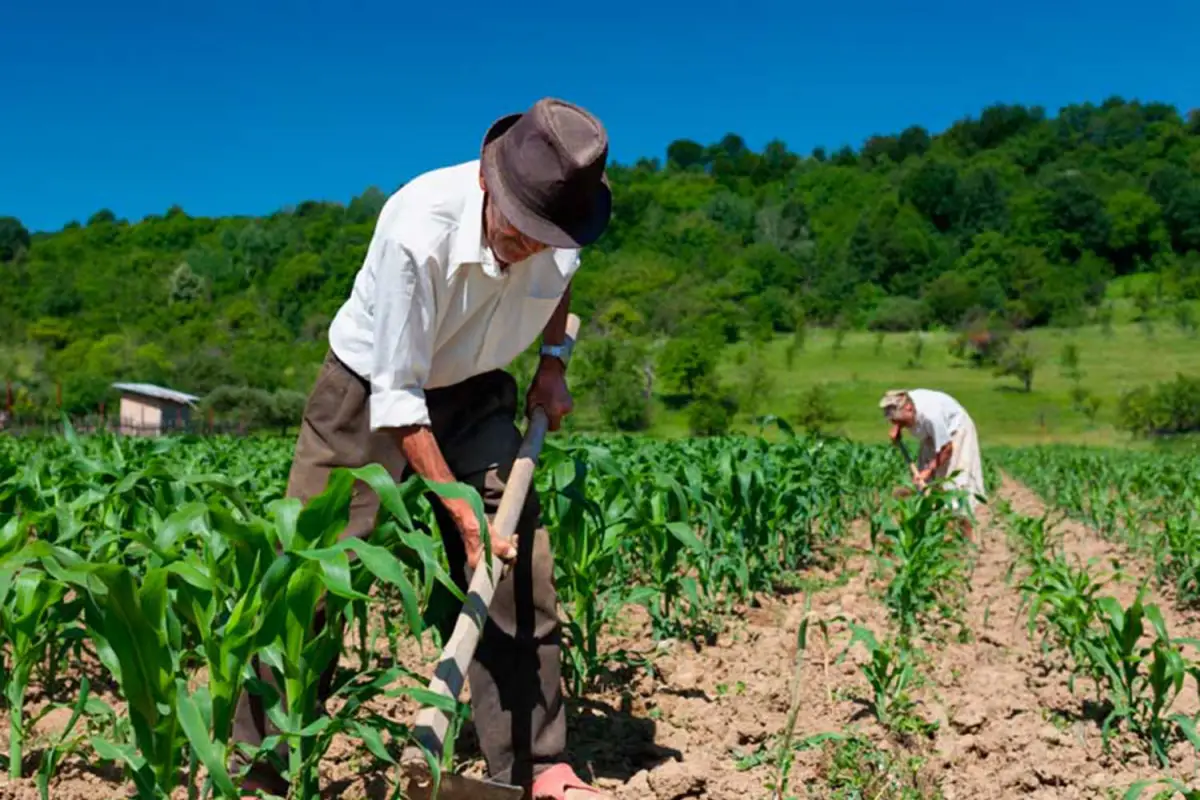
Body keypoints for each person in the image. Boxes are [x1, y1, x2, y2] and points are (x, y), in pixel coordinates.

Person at [230, 97, 614, 800]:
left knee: (518, 564)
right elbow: (399, 400)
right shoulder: (417, 228)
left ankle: (535, 766)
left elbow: (561, 284)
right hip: (369, 390)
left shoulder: (567, 218)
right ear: (489, 185)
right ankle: (261, 773)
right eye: (519, 228)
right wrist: (461, 515)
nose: (529, 245)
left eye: (544, 236)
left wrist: (552, 364)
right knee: (308, 577)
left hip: (477, 387)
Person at [879, 389, 985, 529]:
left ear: (909, 408)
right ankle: (933, 525)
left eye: (900, 420)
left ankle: (963, 532)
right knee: (926, 484)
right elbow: (898, 413)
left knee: (955, 483)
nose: (897, 423)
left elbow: (947, 448)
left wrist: (929, 470)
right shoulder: (904, 401)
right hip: (931, 433)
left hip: (956, 432)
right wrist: (898, 427)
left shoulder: (931, 415)